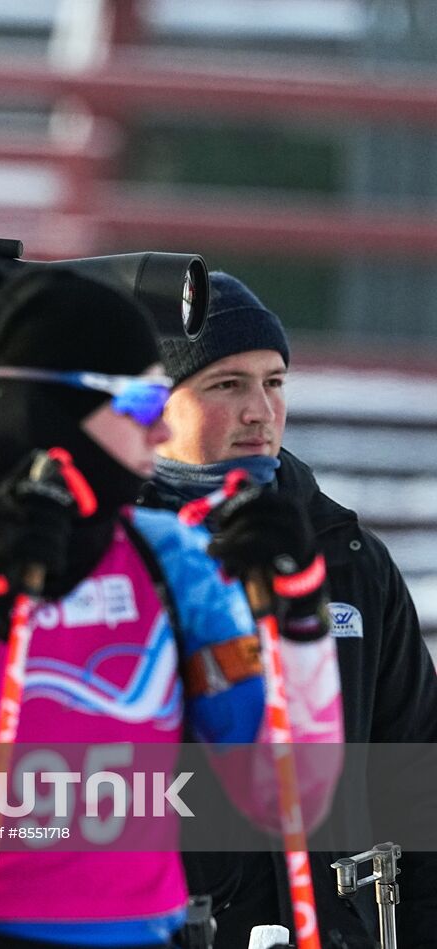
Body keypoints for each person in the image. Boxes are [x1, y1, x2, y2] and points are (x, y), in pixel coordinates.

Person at [0, 266, 344, 948]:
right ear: (51, 409)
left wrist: (301, 621)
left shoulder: (174, 560)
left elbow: (290, 795)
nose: (162, 432)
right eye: (138, 406)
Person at [141, 270, 437, 948]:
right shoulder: (102, 558)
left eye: (274, 382)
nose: (259, 410)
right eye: (227, 384)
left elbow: (416, 782)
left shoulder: (347, 554)